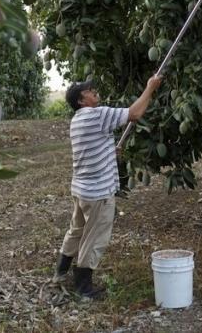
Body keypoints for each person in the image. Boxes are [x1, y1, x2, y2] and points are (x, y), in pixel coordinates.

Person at [53, 74, 163, 300]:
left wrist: (108, 152)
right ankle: (83, 288)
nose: (93, 90)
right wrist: (150, 87)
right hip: (98, 194)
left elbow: (91, 148)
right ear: (81, 101)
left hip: (81, 190)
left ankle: (61, 271)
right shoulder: (97, 114)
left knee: (77, 230)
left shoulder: (77, 120)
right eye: (87, 91)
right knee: (94, 237)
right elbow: (135, 113)